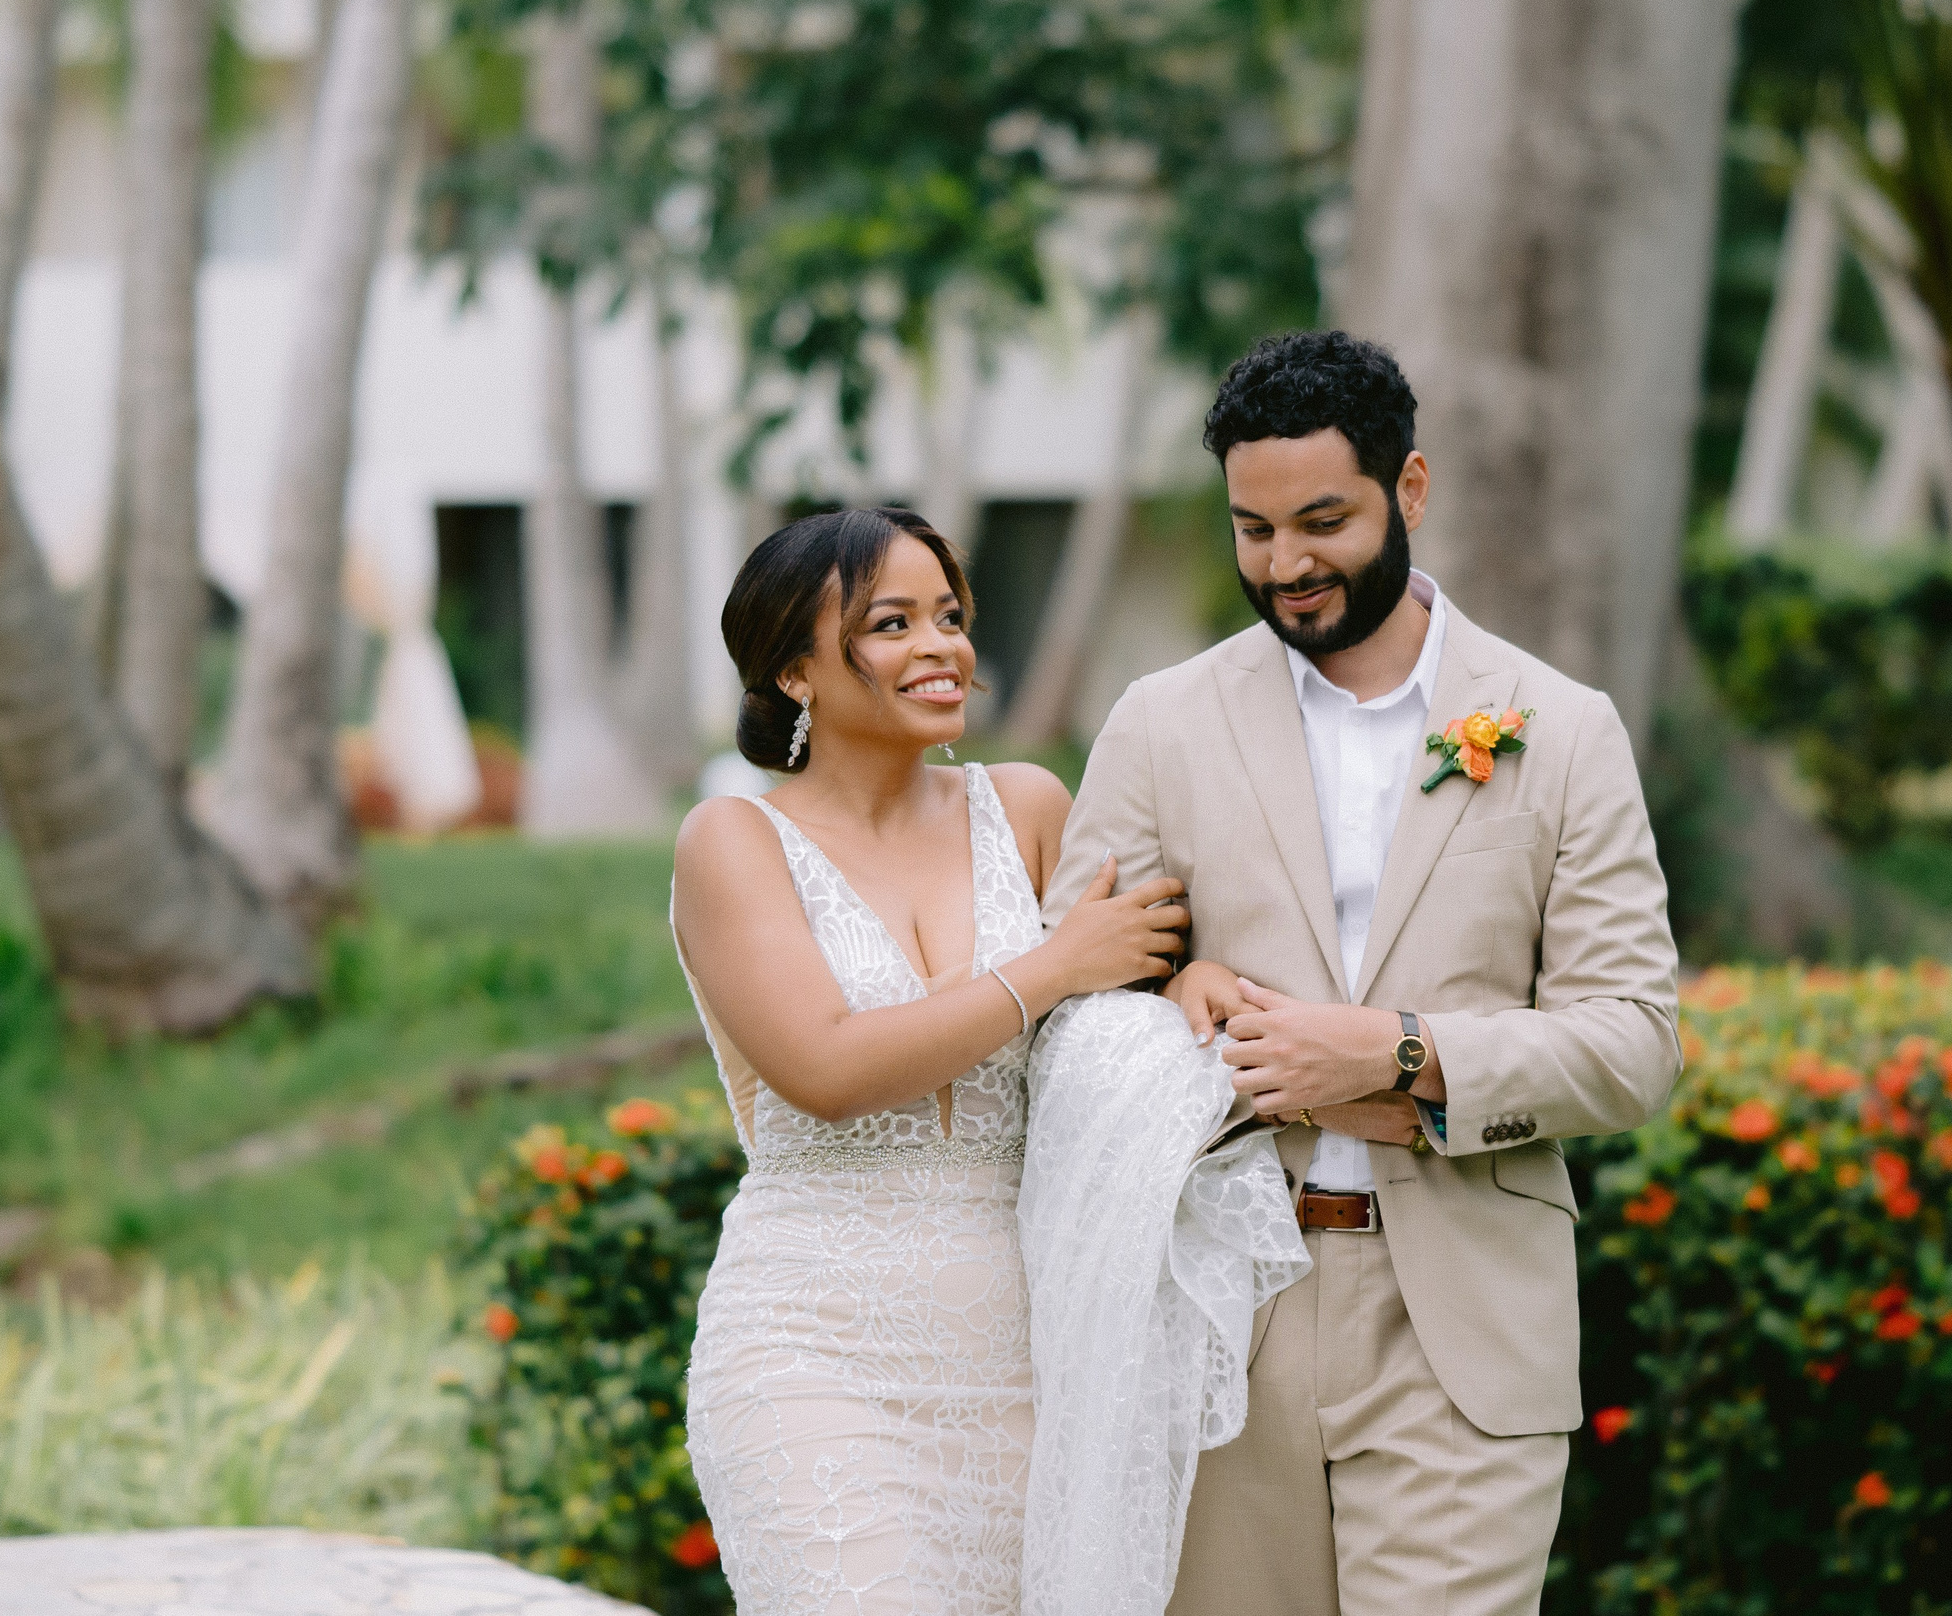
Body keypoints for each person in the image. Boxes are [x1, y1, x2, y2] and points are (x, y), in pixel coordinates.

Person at [1045, 330, 1684, 1616]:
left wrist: (1402, 1052)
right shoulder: (1157, 724)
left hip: (1462, 1321)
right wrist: (1169, 1005)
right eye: (1253, 528)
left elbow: (1634, 1039)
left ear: (1411, 488)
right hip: (1220, 1310)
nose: (1285, 565)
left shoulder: (1559, 727)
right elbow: (1064, 1017)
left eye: (1321, 520)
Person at [671, 506, 1190, 1616]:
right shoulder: (733, 840)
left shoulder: (1030, 806)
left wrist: (1186, 984)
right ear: (795, 671)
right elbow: (827, 1065)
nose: (942, 645)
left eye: (949, 616)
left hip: (1027, 1364)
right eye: (891, 621)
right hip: (810, 1351)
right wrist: (1047, 969)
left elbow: (1124, 1002)